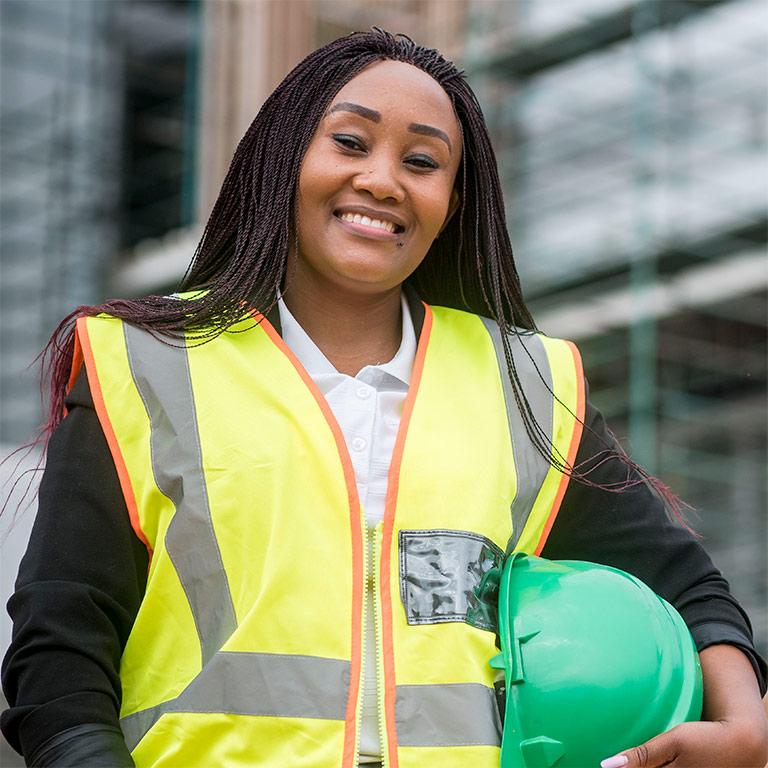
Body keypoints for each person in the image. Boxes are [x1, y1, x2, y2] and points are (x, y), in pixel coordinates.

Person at [1, 27, 766, 768]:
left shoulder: (530, 384)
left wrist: (747, 728)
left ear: (453, 201)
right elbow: (59, 653)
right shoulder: (142, 362)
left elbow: (684, 583)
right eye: (350, 142)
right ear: (283, 158)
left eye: (423, 160)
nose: (382, 180)